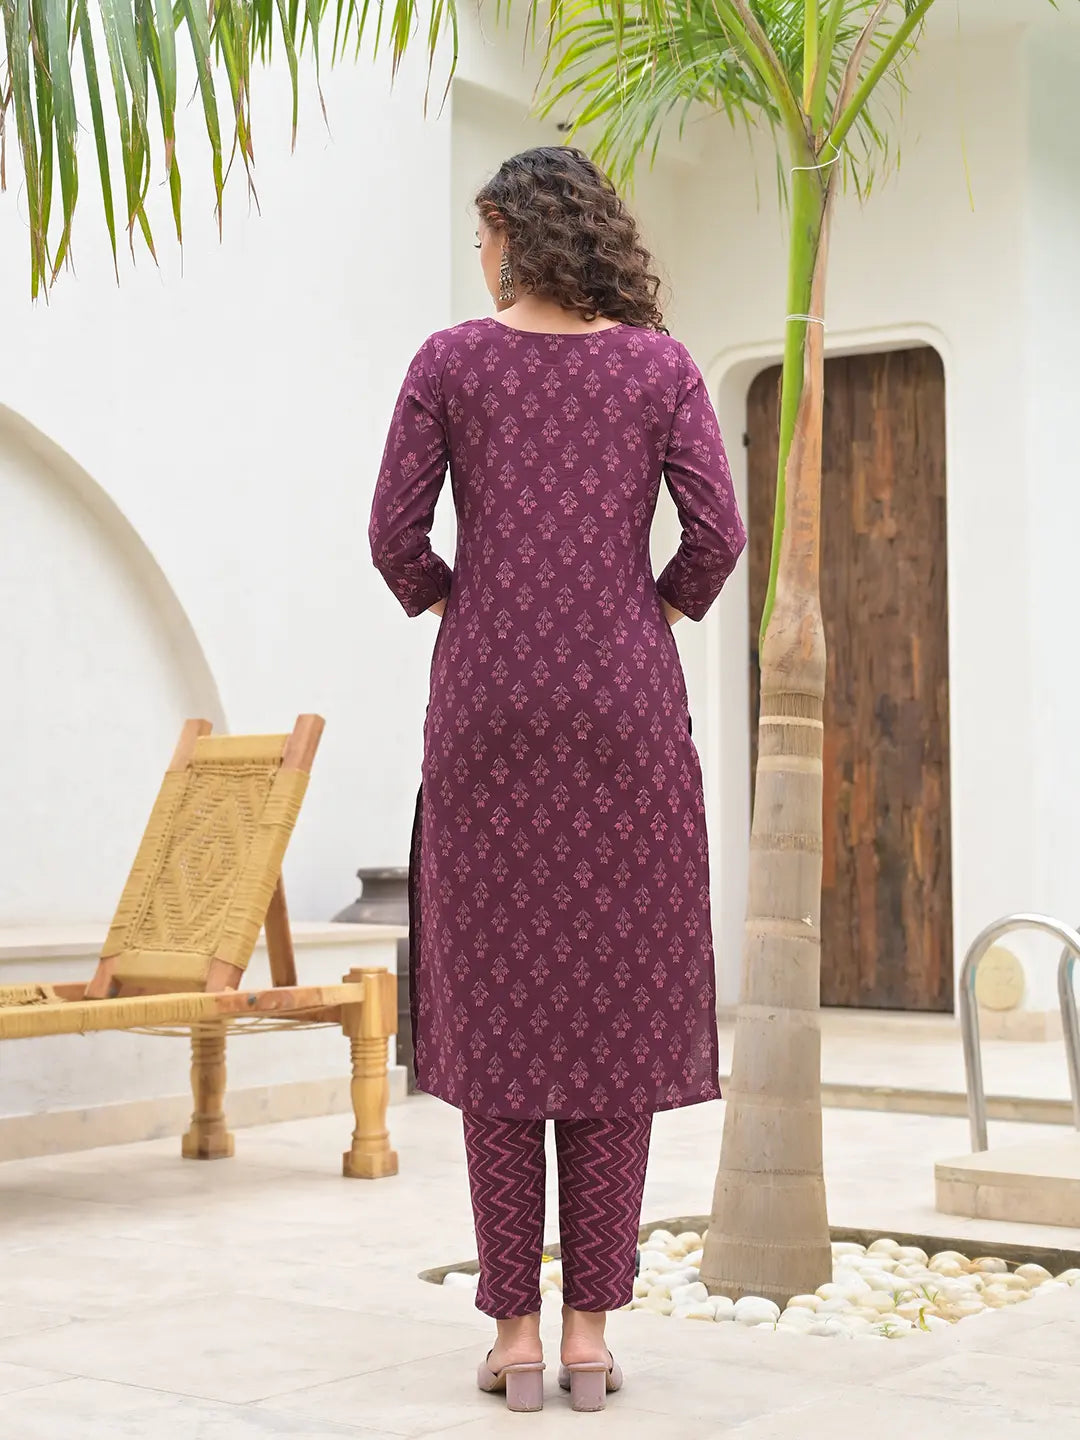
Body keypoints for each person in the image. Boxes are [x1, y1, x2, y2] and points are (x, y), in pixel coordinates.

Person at [369, 146, 746, 1414]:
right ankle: (590, 1337)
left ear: (516, 237)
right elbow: (717, 535)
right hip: (623, 709)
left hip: (487, 704)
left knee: (498, 1012)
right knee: (611, 1012)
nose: (477, 257)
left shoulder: (449, 363)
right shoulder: (660, 367)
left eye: (483, 236)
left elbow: (393, 536)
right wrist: (650, 614)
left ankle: (514, 1339)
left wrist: (464, 606)